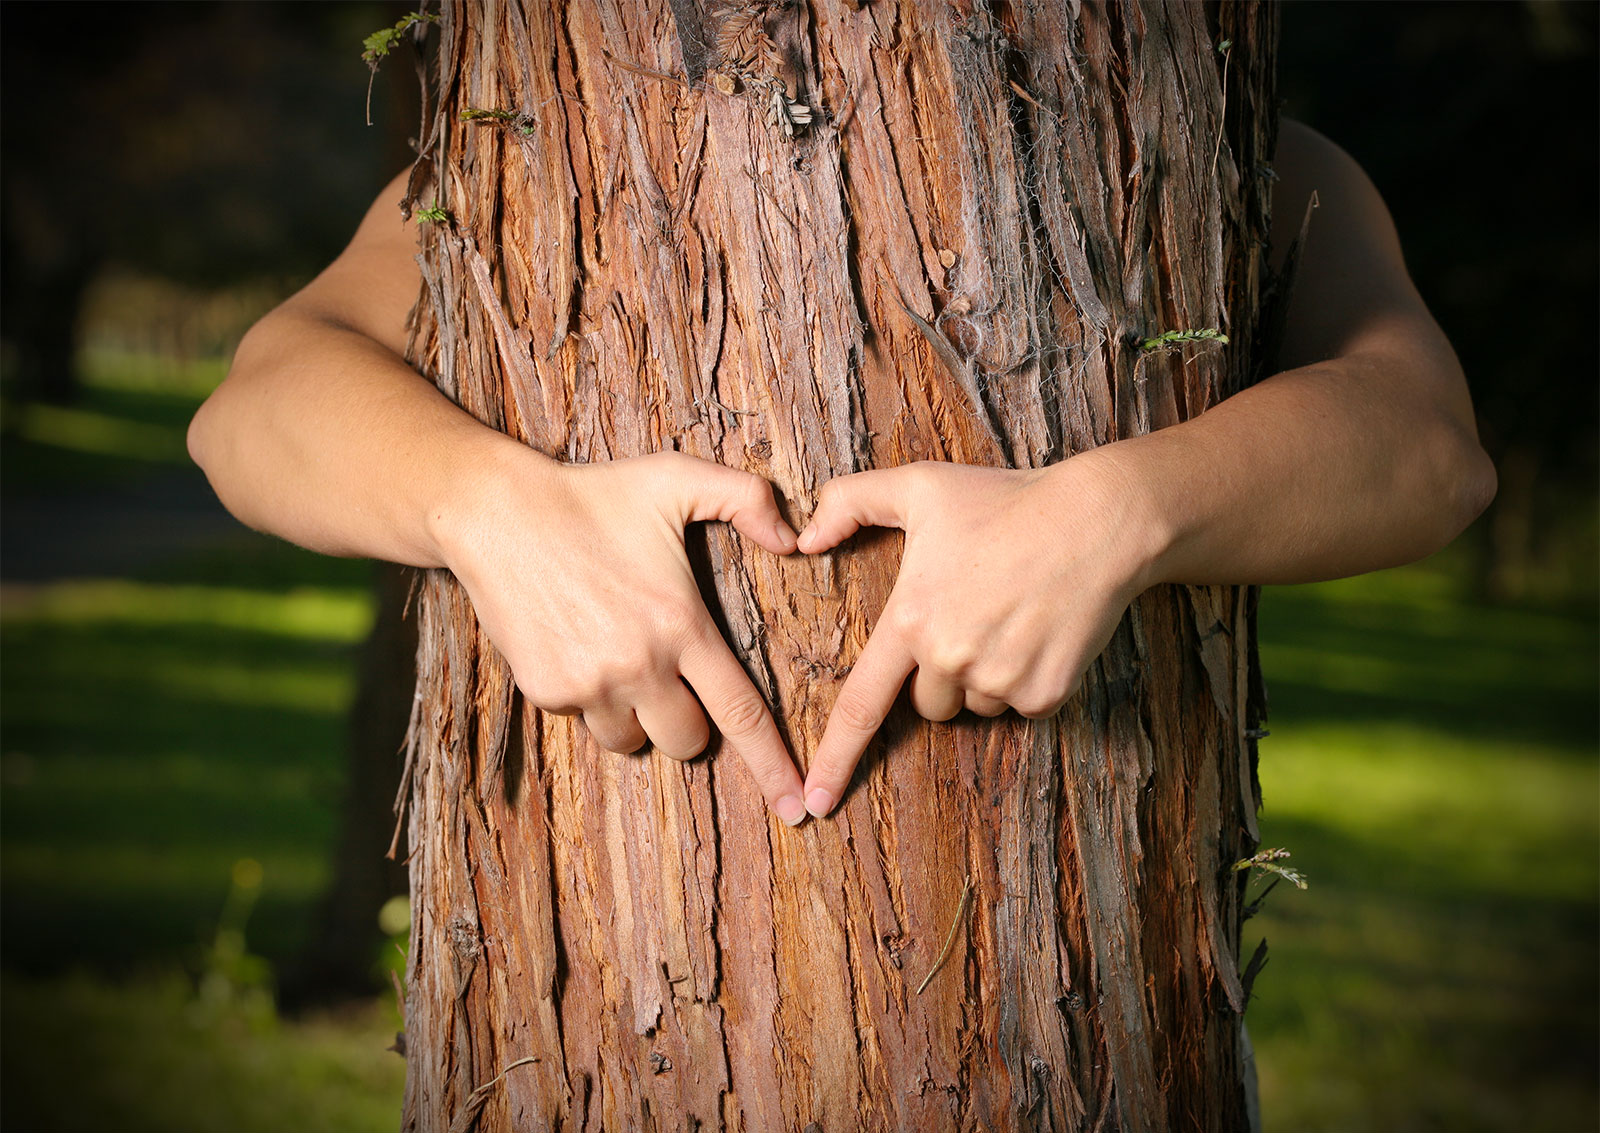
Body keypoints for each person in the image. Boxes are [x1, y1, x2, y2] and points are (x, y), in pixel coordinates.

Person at [187, 119, 1495, 828]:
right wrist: (488, 506)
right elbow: (249, 410)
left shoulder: (1238, 148)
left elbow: (1428, 447)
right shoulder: (516, 149)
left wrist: (1122, 510)